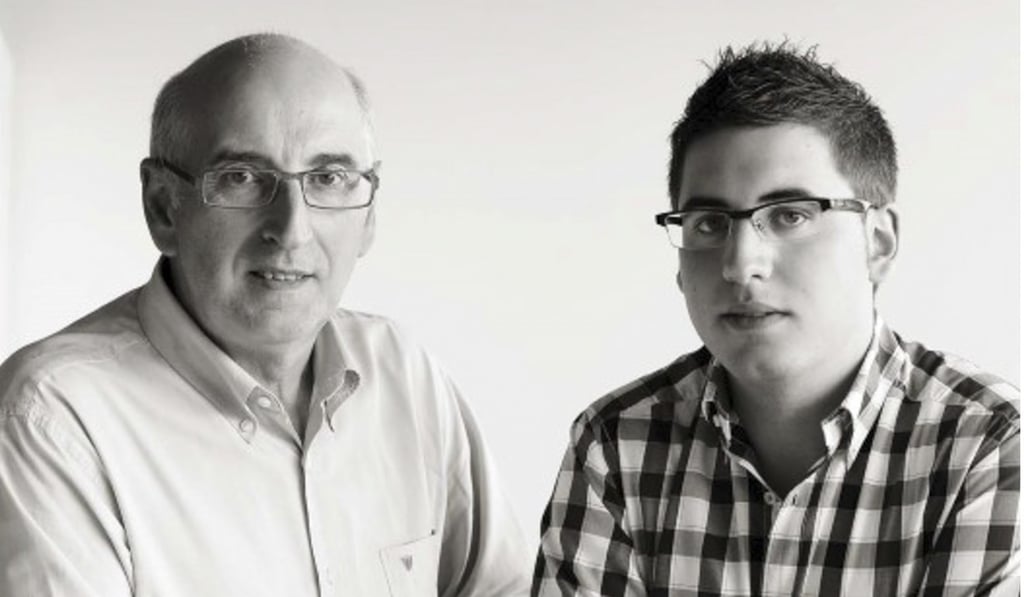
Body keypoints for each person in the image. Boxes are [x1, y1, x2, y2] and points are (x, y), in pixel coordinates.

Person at [0, 33, 530, 596]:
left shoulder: (403, 375)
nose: (292, 230)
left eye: (328, 178)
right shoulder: (52, 420)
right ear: (162, 206)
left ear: (369, 213)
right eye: (243, 178)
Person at [533, 43, 1019, 596]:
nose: (741, 264)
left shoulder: (991, 444)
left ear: (878, 241)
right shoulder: (616, 444)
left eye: (790, 215)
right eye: (709, 222)